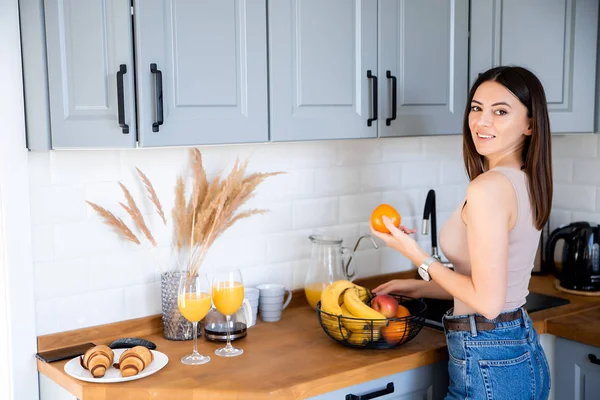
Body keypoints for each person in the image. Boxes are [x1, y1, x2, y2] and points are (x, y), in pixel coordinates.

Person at [370, 66, 552, 400]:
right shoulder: (525, 181)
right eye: (476, 108)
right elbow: (491, 284)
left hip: (488, 358)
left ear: (529, 124)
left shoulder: (489, 188)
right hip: (518, 350)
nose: (482, 121)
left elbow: (487, 302)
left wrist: (417, 257)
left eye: (500, 111)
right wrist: (419, 287)